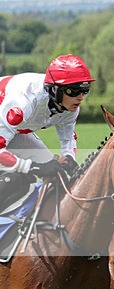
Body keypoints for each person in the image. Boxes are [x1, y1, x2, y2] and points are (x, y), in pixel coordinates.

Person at [0, 54, 94, 209]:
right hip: (6, 125)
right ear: (55, 90)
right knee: (14, 179)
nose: (80, 97)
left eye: (85, 90)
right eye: (73, 91)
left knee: (56, 176)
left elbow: (68, 138)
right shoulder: (22, 105)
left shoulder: (70, 107)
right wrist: (31, 167)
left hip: (12, 131)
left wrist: (69, 157)